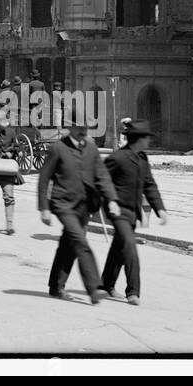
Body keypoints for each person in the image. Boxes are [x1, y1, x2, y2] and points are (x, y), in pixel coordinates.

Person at [38, 120, 121, 304]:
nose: (83, 131)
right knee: (80, 241)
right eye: (79, 127)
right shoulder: (58, 148)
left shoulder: (91, 148)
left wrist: (112, 199)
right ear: (70, 127)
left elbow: (102, 175)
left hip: (84, 205)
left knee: (69, 244)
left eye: (85, 128)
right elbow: (44, 178)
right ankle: (94, 288)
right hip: (63, 204)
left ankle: (56, 286)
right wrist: (44, 207)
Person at [100, 119, 167, 306]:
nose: (149, 141)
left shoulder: (142, 158)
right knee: (129, 246)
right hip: (118, 210)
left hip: (132, 212)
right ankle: (133, 291)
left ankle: (106, 284)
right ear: (139, 138)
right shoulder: (118, 158)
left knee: (119, 249)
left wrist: (160, 209)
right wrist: (110, 201)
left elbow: (149, 185)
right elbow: (102, 181)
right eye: (147, 137)